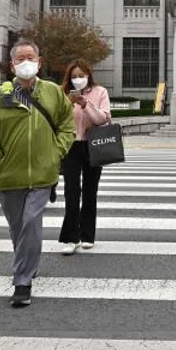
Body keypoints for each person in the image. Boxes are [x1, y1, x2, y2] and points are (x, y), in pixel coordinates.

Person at [0, 39, 74, 307]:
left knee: (31, 222)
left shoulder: (53, 92)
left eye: (30, 57)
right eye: (20, 59)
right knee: (18, 227)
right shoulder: (0, 96)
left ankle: (22, 281)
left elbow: (67, 125)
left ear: (39, 62)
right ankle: (28, 262)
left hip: (43, 174)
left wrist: (56, 152)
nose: (26, 63)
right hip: (10, 175)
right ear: (12, 65)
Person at [58, 60, 111, 255]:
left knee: (90, 191)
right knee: (71, 191)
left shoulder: (100, 92)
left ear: (88, 75)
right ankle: (70, 237)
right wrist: (68, 104)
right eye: (74, 76)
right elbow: (57, 119)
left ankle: (88, 235)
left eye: (81, 75)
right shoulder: (62, 93)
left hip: (93, 145)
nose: (77, 79)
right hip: (71, 146)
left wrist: (85, 103)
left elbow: (102, 119)